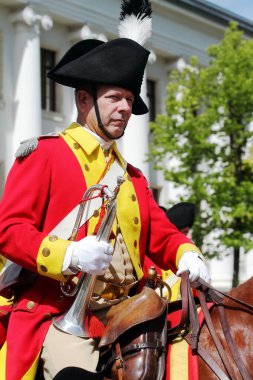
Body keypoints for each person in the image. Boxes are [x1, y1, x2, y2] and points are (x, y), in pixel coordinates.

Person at [0, 8, 209, 380]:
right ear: (84, 100)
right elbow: (10, 230)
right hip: (61, 312)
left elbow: (162, 235)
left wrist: (187, 253)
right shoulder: (44, 154)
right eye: (115, 97)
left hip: (130, 311)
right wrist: (69, 255)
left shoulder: (133, 178)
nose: (126, 108)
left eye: (130, 100)